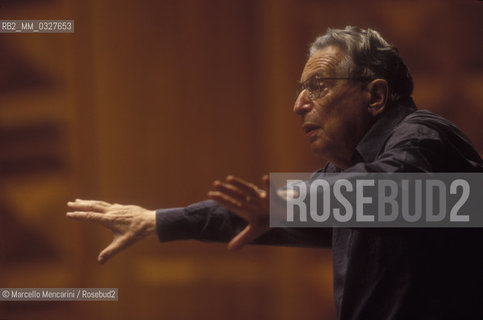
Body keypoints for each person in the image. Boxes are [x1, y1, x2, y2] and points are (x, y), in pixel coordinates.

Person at [67, 26, 483, 319]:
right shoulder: (345, 180)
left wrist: (288, 205)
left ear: (375, 95)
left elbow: (389, 192)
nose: (298, 104)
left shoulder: (424, 137)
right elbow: (252, 210)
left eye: (318, 85)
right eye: (300, 90)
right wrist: (156, 221)